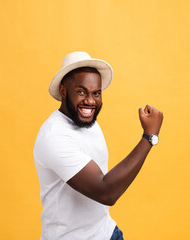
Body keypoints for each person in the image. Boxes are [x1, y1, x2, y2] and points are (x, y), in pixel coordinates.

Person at [33, 51, 164, 240]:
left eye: (96, 93)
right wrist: (149, 137)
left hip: (107, 233)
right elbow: (106, 192)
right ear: (63, 91)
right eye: (81, 92)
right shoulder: (54, 136)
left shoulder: (86, 119)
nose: (90, 101)